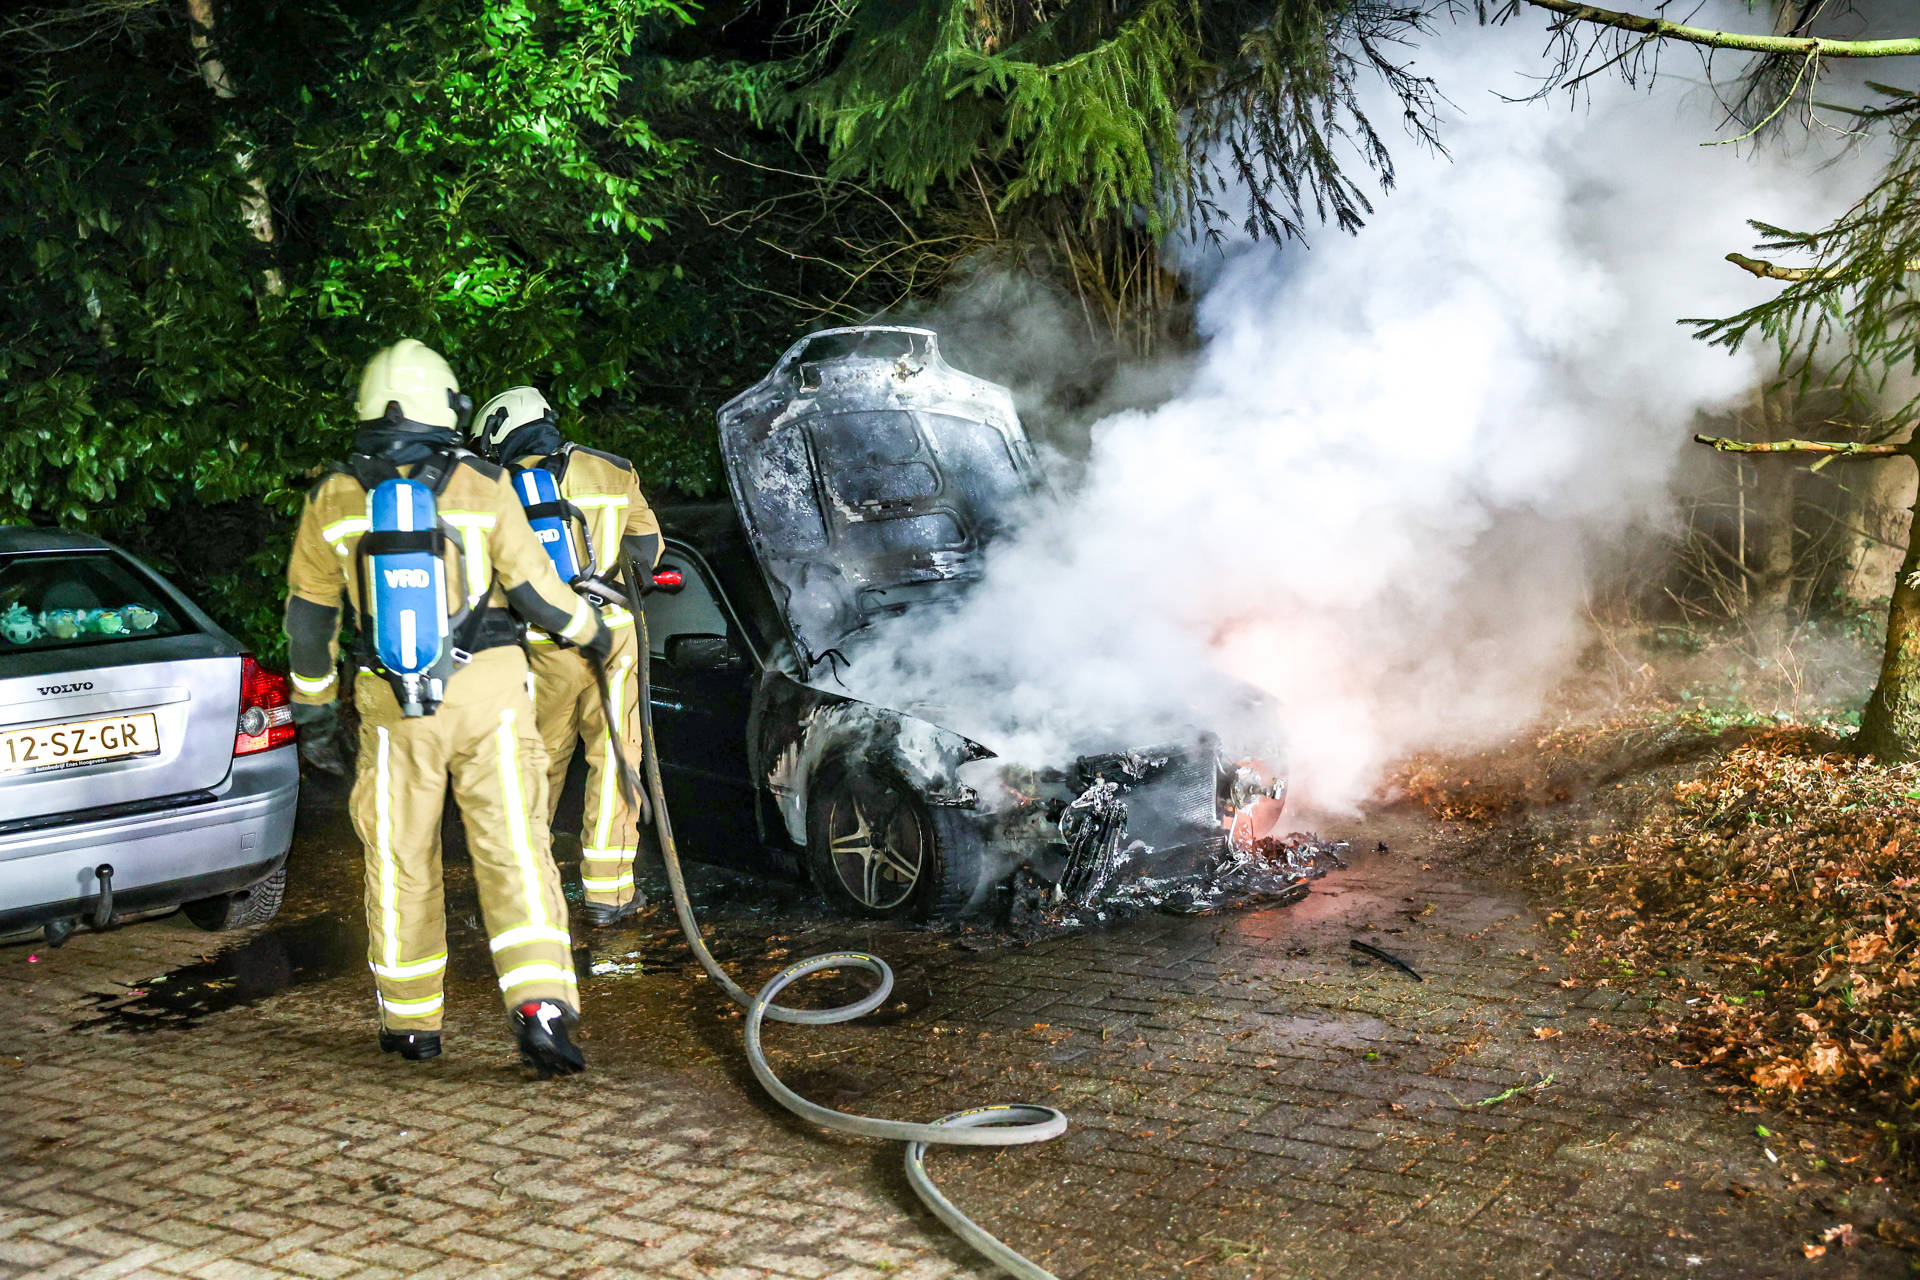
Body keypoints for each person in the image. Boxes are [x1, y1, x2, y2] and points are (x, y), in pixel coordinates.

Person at [284, 340, 611, 1076]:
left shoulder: (332, 497)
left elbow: (309, 621)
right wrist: (594, 631)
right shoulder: (481, 483)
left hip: (392, 708)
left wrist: (313, 713)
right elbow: (536, 593)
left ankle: (411, 1022)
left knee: (401, 856)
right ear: (449, 407)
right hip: (490, 697)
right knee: (513, 848)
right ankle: (540, 1007)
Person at [470, 386, 662, 927]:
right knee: (615, 760)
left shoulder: (491, 489)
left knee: (534, 767)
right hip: (614, 639)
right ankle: (608, 895)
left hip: (540, 646)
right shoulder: (613, 470)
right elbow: (648, 550)